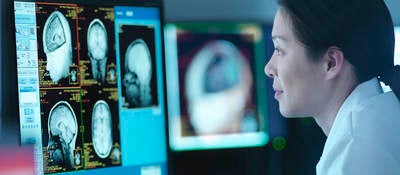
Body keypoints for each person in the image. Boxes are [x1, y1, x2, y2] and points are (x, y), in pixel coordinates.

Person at [264, 0, 400, 174]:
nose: (268, 68)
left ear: (331, 63)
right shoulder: (381, 117)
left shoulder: (356, 152)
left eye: (279, 49)